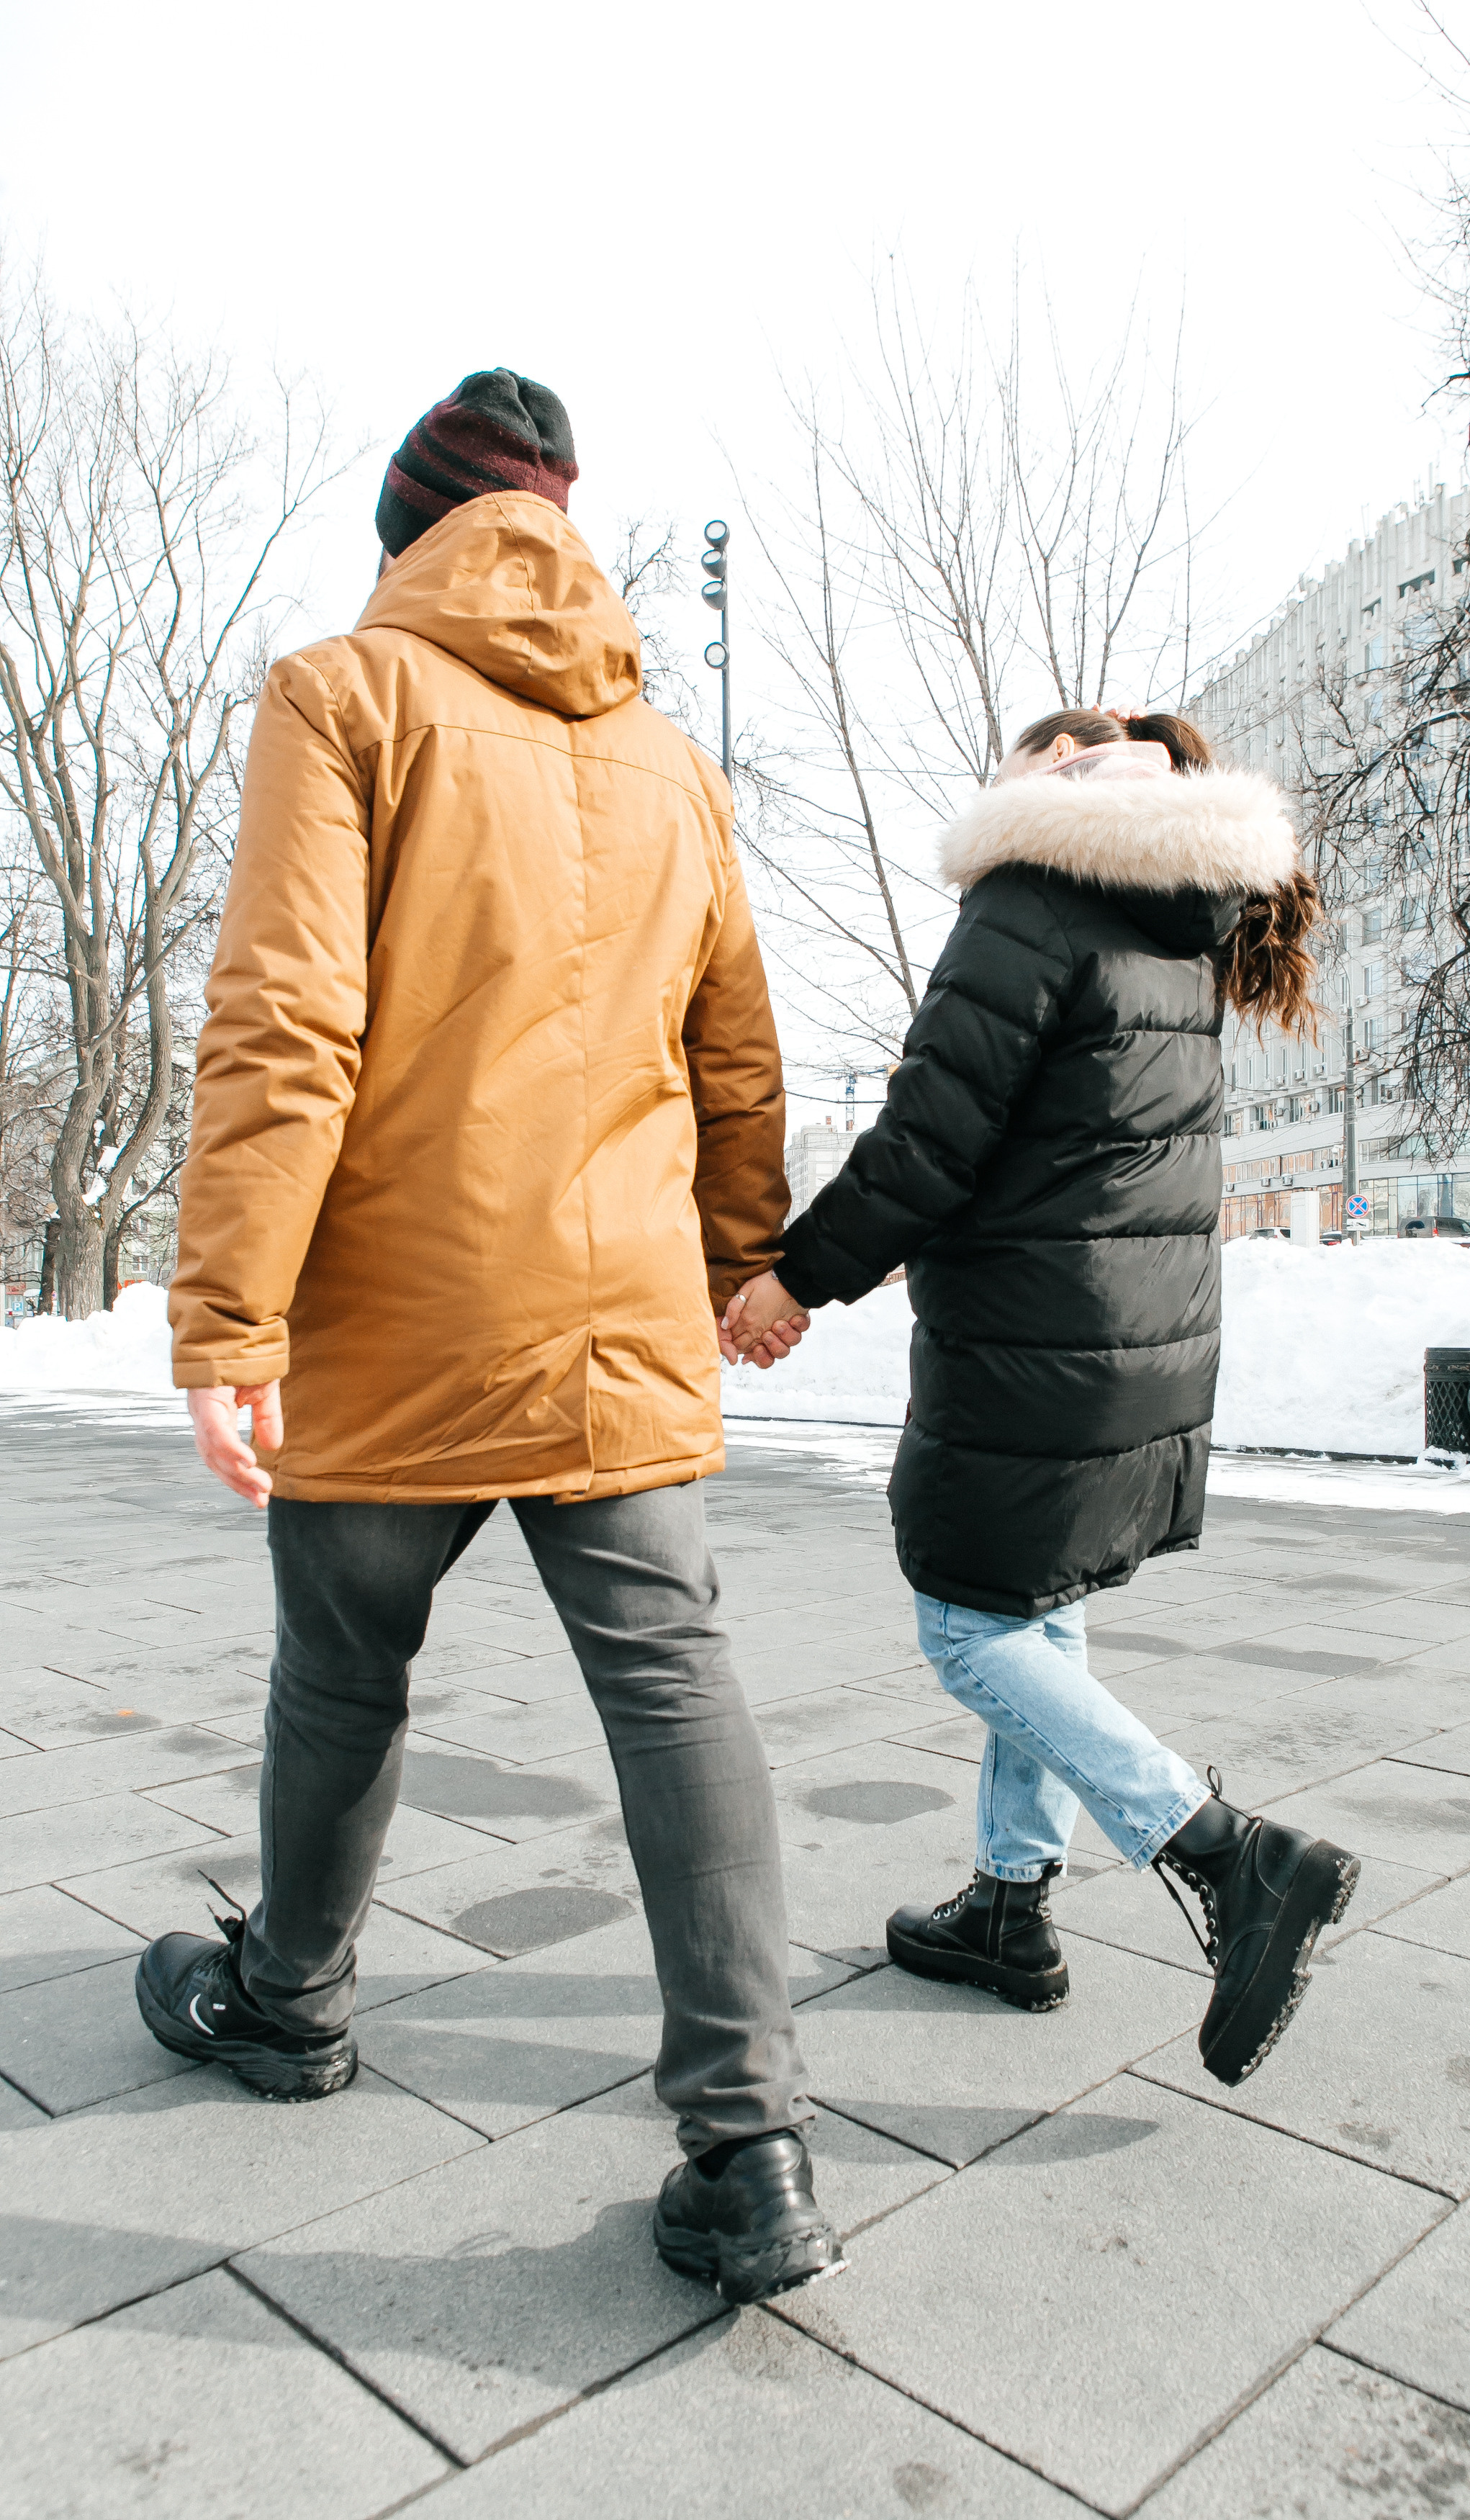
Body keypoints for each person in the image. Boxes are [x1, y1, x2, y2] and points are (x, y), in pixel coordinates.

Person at [137, 369, 840, 2308]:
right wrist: (735, 1251)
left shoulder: (340, 695)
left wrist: (230, 1312)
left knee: (339, 1671)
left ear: (406, 530)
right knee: (673, 1687)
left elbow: (289, 1018)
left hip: (393, 1307)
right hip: (610, 1313)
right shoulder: (672, 759)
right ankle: (750, 2142)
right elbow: (735, 1045)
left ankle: (287, 2001)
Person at [723, 706, 1360, 2088]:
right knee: (1033, 1615)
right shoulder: (1180, 910)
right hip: (1136, 1341)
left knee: (968, 1630)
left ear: (1045, 782)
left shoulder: (1034, 894)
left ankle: (1225, 1853)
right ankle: (1009, 1915)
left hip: (1036, 1341)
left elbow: (930, 1137)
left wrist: (796, 1282)